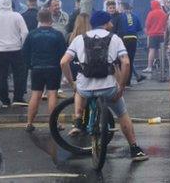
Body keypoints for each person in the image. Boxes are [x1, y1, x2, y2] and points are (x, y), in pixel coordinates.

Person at [61, 11, 149, 161]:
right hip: (108, 88)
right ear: (106, 23)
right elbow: (126, 63)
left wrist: (72, 82)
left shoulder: (78, 39)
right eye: (110, 22)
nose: (112, 24)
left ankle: (79, 120)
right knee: (122, 114)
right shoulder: (114, 38)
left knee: (79, 91)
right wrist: (121, 86)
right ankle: (134, 149)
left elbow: (63, 62)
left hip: (85, 88)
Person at [22, 9, 66, 132]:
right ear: (51, 19)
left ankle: (29, 123)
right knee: (52, 94)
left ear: (38, 19)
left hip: (36, 68)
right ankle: (54, 124)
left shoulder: (32, 34)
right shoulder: (57, 34)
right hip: (53, 68)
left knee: (35, 95)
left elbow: (25, 53)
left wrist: (31, 65)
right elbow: (63, 53)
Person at [0, 0, 29, 108]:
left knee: (2, 76)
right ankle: (18, 97)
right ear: (10, 3)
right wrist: (21, 44)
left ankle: (4, 100)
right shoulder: (17, 16)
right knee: (18, 74)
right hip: (16, 49)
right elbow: (25, 32)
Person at [118, 3, 145, 85]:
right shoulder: (135, 16)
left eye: (119, 7)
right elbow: (139, 28)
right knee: (130, 60)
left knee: (122, 60)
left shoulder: (121, 16)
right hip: (133, 38)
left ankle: (122, 80)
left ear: (123, 8)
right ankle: (128, 82)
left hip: (123, 38)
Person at [143, 0, 166, 74]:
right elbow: (165, 24)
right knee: (161, 51)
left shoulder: (151, 13)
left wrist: (147, 32)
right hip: (162, 34)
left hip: (152, 34)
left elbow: (147, 24)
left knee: (152, 50)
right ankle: (162, 67)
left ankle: (149, 67)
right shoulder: (163, 13)